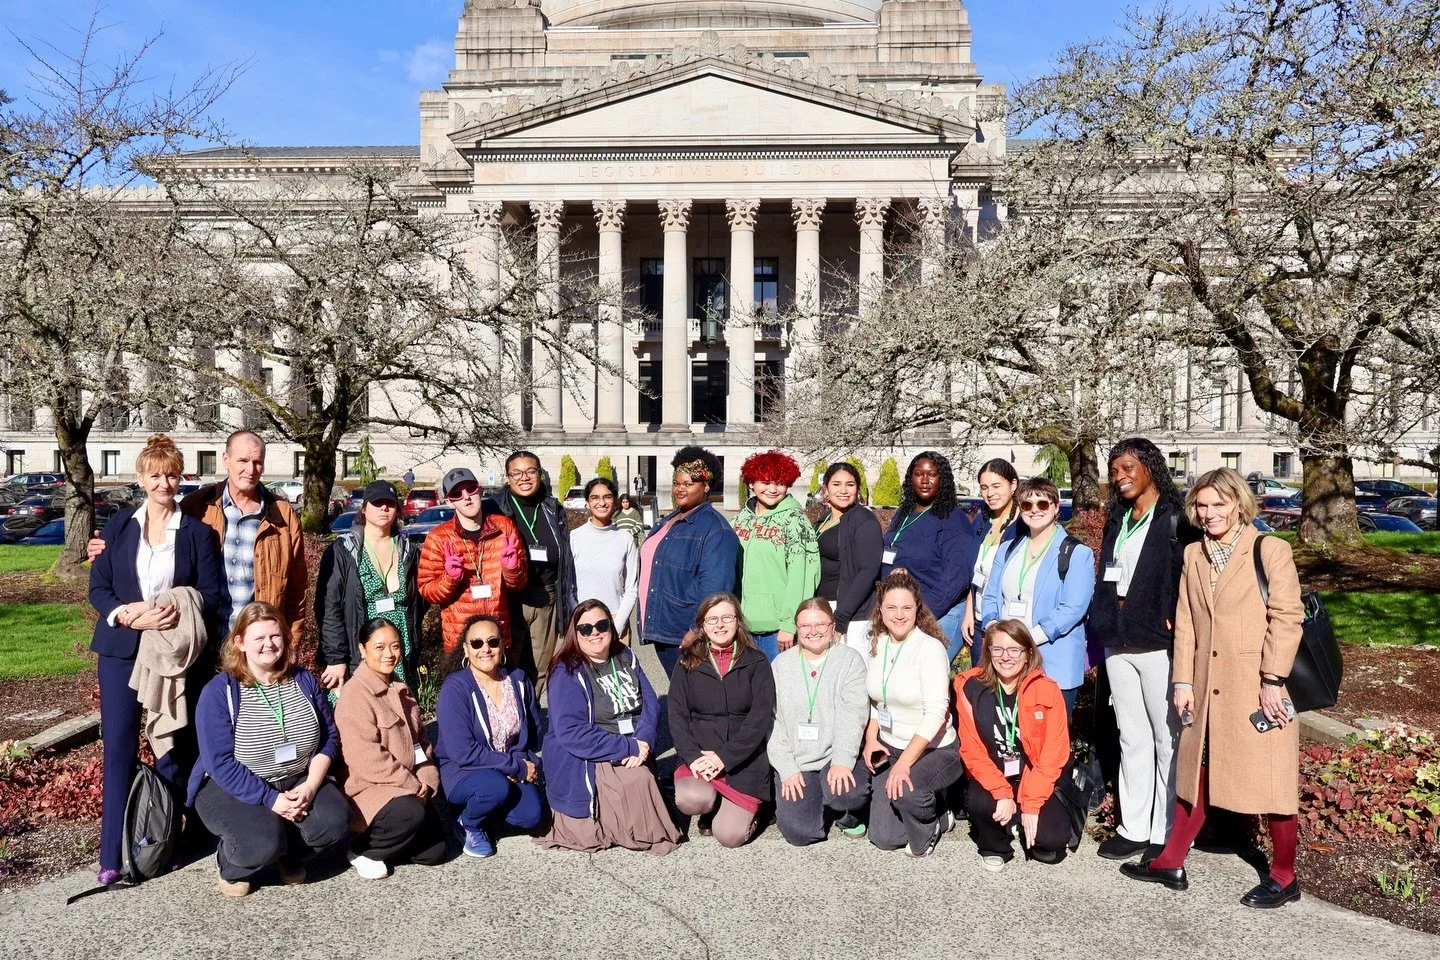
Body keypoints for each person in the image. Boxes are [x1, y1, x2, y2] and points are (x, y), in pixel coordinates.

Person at [1122, 468, 1306, 909]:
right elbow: (1186, 620)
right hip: (1205, 687)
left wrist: (1272, 681)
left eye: (1218, 505)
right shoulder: (1193, 555)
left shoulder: (1270, 550)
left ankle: (1284, 875)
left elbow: (1287, 617)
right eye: (1201, 506)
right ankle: (1171, 860)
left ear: (1239, 505)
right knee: (1195, 772)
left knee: (1273, 780)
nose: (1208, 514)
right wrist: (1182, 680)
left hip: (1258, 686)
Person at [88, 434, 224, 887]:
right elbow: (99, 588)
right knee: (120, 750)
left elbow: (212, 595)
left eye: (172, 474)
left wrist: (176, 608)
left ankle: (164, 845)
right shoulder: (118, 526)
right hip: (122, 651)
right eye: (155, 474)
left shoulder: (198, 533)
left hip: (172, 654)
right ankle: (111, 855)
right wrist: (126, 614)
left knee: (171, 750)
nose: (164, 482)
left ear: (181, 477)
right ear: (141, 479)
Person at [187, 603, 350, 897]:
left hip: (296, 777)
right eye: (258, 638)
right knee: (260, 842)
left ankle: (289, 856)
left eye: (275, 636)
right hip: (233, 786)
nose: (268, 645)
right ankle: (233, 863)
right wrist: (270, 799)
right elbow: (220, 763)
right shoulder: (219, 692)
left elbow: (328, 738)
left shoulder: (303, 680)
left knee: (335, 819)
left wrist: (312, 786)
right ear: (240, 643)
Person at [1090, 438, 1202, 861]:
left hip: (1157, 643)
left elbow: (1187, 575)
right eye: (1114, 470)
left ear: (1150, 466)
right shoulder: (1118, 519)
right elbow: (1109, 575)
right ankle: (1134, 825)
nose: (1119, 477)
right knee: (1131, 736)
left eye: (1127, 468)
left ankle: (1165, 830)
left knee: (1165, 737)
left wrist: (1172, 613)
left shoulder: (1176, 519)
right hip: (1118, 640)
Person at [87, 430, 306, 641]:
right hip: (202, 640)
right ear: (226, 459)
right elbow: (157, 530)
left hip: (257, 643)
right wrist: (103, 546)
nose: (251, 469)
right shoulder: (198, 507)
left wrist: (292, 642)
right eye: (243, 461)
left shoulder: (283, 517)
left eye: (258, 462)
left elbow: (297, 589)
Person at [536, 600, 680, 856]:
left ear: (612, 628)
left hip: (634, 743)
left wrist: (643, 741)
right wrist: (627, 747)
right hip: (592, 751)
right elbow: (571, 733)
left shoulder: (625, 655)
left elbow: (650, 703)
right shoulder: (566, 671)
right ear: (574, 633)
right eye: (585, 628)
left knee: (641, 779)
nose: (595, 632)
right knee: (639, 780)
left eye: (602, 625)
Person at [954, 620, 1073, 871]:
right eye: (997, 649)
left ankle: (1020, 813)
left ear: (1028, 653)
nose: (1005, 657)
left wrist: (1031, 803)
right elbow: (971, 750)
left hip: (1033, 774)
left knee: (1050, 844)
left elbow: (1055, 753)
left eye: (1014, 649)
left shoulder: (1047, 691)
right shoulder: (971, 687)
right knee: (981, 803)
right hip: (993, 772)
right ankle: (995, 845)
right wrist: (1002, 791)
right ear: (988, 652)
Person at [334, 619, 448, 879]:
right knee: (410, 813)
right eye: (380, 647)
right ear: (362, 650)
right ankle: (365, 850)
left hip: (406, 785)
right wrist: (410, 783)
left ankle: (393, 840)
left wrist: (426, 777)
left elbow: (421, 742)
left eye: (395, 646)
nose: (389, 654)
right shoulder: (355, 694)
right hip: (370, 786)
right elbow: (366, 759)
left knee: (434, 851)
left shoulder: (401, 689)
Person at [862, 571, 964, 857]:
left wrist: (904, 763)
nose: (898, 615)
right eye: (891, 608)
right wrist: (872, 738)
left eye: (906, 608)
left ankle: (933, 821)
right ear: (880, 609)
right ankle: (930, 807)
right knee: (883, 836)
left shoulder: (929, 649)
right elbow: (876, 699)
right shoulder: (878, 643)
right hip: (890, 745)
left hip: (933, 750)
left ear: (917, 609)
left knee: (907, 793)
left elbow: (936, 712)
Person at [981, 477, 1095, 717]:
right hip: (1008, 658)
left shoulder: (1076, 553)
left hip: (1053, 661)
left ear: (1055, 507)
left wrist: (1027, 639)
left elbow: (1073, 608)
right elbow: (991, 595)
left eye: (1042, 504)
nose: (1034, 510)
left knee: (1050, 743)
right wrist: (995, 631)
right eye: (1027, 505)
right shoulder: (1008, 548)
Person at [434, 614, 546, 859]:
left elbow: (531, 734)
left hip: (507, 767)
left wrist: (521, 762)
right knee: (494, 788)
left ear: (503, 645)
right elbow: (462, 752)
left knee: (531, 816)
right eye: (476, 643)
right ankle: (468, 822)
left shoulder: (517, 679)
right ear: (465, 648)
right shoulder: (456, 688)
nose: (485, 649)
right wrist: (513, 766)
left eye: (493, 642)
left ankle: (487, 807)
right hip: (464, 770)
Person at [668, 593, 775, 848]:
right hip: (702, 755)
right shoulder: (687, 662)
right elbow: (677, 714)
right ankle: (712, 803)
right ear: (702, 626)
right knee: (691, 799)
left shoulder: (757, 662)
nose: (720, 625)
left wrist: (723, 758)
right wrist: (693, 756)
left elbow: (758, 720)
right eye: (712, 619)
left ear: (738, 621)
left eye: (727, 617)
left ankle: (757, 811)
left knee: (729, 836)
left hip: (744, 760)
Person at [768, 598, 871, 845]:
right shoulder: (781, 665)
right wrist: (787, 768)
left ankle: (846, 813)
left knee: (846, 793)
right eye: (805, 626)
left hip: (833, 755)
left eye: (820, 624)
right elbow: (773, 721)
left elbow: (853, 714)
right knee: (799, 833)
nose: (813, 631)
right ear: (796, 628)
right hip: (796, 758)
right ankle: (817, 801)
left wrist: (842, 761)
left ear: (832, 625)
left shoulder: (849, 660)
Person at [639, 446, 740, 677]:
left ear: (705, 487)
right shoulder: (670, 520)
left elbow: (716, 590)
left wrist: (696, 630)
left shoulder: (716, 530)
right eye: (677, 483)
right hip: (663, 628)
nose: (680, 489)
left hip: (685, 634)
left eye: (688, 484)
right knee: (681, 698)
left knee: (696, 701)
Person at [316, 480, 424, 694]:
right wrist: (336, 657)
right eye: (377, 503)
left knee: (402, 718)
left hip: (401, 654)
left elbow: (422, 600)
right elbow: (329, 607)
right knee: (362, 719)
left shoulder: (410, 551)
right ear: (364, 508)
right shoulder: (343, 551)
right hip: (361, 655)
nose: (384, 508)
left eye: (390, 504)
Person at [880, 451, 979, 664]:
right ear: (910, 478)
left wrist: (916, 617)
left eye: (932, 474)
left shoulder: (953, 519)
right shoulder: (903, 513)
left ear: (942, 479)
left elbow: (954, 580)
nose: (924, 480)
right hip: (902, 613)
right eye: (918, 474)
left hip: (937, 614)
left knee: (922, 677)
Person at [417, 467, 527, 655]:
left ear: (480, 490)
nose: (466, 497)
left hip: (496, 636)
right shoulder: (438, 538)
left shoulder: (504, 528)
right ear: (450, 502)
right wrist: (450, 578)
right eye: (457, 494)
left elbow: (519, 584)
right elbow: (427, 591)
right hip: (460, 641)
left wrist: (512, 569)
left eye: (471, 489)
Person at [497, 451, 577, 696]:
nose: (524, 478)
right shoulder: (496, 509)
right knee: (504, 665)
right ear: (508, 478)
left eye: (531, 471)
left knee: (539, 668)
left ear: (540, 474)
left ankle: (530, 717)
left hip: (546, 597)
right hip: (510, 599)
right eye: (517, 473)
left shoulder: (553, 508)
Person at [731, 450, 820, 661]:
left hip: (778, 631)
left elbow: (803, 576)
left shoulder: (795, 521)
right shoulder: (739, 520)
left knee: (781, 691)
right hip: (742, 627)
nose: (773, 489)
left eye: (780, 483)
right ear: (751, 483)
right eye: (765, 482)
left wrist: (790, 623)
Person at [813, 462, 884, 660]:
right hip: (824, 607)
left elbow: (868, 570)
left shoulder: (863, 520)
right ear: (826, 488)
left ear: (858, 489)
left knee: (852, 677)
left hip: (851, 614)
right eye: (836, 484)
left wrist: (842, 616)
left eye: (850, 484)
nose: (843, 490)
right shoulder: (824, 520)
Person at [961, 459, 1022, 665]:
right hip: (978, 620)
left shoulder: (1023, 525)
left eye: (996, 486)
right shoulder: (982, 521)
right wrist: (969, 612)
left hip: (1007, 623)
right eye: (984, 487)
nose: (990, 493)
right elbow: (975, 574)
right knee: (982, 686)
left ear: (1013, 485)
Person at [570, 477, 639, 639]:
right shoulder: (574, 537)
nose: (601, 502)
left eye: (607, 497)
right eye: (595, 497)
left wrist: (618, 624)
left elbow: (631, 587)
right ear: (587, 502)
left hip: (615, 619)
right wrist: (578, 619)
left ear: (615, 501)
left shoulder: (625, 538)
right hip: (583, 623)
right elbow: (569, 587)